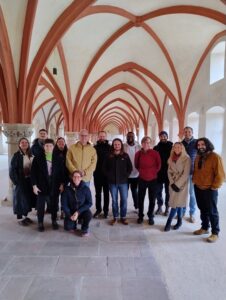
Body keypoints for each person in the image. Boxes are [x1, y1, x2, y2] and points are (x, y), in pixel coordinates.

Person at [192, 138, 225, 243]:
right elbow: (196, 171)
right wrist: (195, 181)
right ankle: (204, 227)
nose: (200, 146)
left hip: (210, 189)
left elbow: (220, 175)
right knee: (202, 209)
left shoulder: (215, 157)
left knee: (212, 211)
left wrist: (214, 186)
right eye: (198, 145)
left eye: (202, 144)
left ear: (208, 145)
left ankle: (215, 233)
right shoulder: (198, 156)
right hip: (198, 187)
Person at [31, 139, 64, 231]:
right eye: (46, 146)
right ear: (43, 147)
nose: (48, 147)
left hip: (54, 185)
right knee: (40, 206)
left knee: (54, 204)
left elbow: (62, 172)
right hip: (41, 185)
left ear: (53, 147)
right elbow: (33, 173)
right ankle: (40, 222)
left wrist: (62, 184)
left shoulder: (59, 157)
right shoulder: (38, 157)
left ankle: (54, 220)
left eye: (50, 146)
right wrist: (34, 185)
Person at [103, 138, 132, 225]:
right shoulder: (108, 155)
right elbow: (104, 168)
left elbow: (130, 168)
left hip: (123, 182)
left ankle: (123, 217)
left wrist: (126, 176)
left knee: (124, 200)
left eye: (118, 144)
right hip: (112, 183)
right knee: (114, 200)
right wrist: (109, 176)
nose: (117, 146)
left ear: (121, 145)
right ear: (113, 145)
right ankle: (115, 217)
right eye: (115, 144)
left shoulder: (125, 156)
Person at [164, 142, 191, 231]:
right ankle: (179, 221)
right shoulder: (171, 157)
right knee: (178, 204)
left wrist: (177, 184)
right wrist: (172, 183)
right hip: (172, 183)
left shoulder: (187, 158)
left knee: (175, 204)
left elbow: (186, 174)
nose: (177, 149)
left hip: (181, 184)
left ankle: (168, 222)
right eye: (175, 147)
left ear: (182, 148)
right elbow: (169, 171)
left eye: (179, 147)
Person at [9, 138, 36, 226]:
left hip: (29, 181)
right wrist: (16, 182)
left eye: (26, 142)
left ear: (28, 144)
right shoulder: (16, 155)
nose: (24, 144)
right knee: (20, 199)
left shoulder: (30, 154)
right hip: (20, 181)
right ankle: (20, 218)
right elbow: (12, 170)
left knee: (27, 199)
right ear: (19, 144)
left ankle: (25, 216)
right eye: (22, 142)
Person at [135, 136, 161, 225]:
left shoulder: (155, 153)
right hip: (142, 179)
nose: (147, 144)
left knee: (152, 199)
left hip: (153, 179)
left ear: (151, 144)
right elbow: (136, 165)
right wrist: (143, 172)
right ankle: (140, 216)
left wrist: (152, 173)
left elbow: (158, 165)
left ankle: (150, 216)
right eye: (145, 142)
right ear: (142, 144)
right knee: (140, 199)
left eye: (148, 142)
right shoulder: (138, 153)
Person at [61, 170, 92, 237]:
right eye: (74, 177)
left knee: (89, 215)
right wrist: (69, 215)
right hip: (71, 211)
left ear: (81, 178)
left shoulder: (86, 189)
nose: (76, 179)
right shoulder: (67, 189)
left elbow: (89, 203)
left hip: (81, 210)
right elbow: (64, 204)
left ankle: (84, 229)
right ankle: (73, 223)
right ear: (72, 178)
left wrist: (78, 212)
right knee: (68, 228)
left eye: (78, 177)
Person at [153, 131, 173, 216]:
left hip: (169, 173)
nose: (163, 138)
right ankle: (159, 207)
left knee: (168, 192)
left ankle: (167, 208)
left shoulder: (172, 147)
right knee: (158, 191)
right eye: (161, 136)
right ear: (159, 137)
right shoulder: (156, 148)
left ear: (167, 137)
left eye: (165, 136)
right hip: (159, 174)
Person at [93, 131, 111, 218]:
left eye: (103, 136)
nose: (102, 138)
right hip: (97, 174)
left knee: (106, 193)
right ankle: (98, 209)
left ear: (106, 137)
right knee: (98, 193)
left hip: (107, 175)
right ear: (98, 137)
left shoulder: (110, 148)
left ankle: (106, 210)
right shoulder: (94, 147)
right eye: (100, 136)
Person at [182, 126, 197, 223]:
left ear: (192, 132)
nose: (187, 133)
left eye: (189, 132)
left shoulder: (197, 143)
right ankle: (182, 211)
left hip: (193, 172)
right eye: (186, 132)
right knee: (183, 193)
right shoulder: (181, 144)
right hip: (183, 173)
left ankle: (192, 213)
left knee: (192, 194)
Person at [124, 132, 141, 211]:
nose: (130, 137)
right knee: (124, 193)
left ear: (134, 137)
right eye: (128, 136)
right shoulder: (123, 146)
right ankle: (124, 208)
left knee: (135, 192)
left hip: (136, 174)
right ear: (126, 137)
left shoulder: (139, 147)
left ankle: (137, 207)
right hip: (125, 174)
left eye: (132, 136)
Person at [52, 137, 69, 219]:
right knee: (55, 197)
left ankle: (63, 212)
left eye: (63, 142)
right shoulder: (53, 153)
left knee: (64, 197)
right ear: (57, 143)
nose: (61, 143)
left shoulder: (68, 153)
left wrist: (64, 182)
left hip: (66, 179)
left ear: (65, 143)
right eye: (59, 142)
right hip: (55, 180)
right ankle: (55, 213)